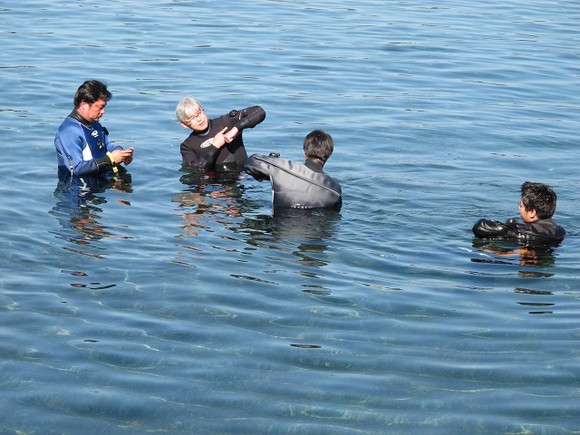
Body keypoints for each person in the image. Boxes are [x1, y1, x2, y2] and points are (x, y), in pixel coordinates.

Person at [244, 129, 342, 210]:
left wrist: (272, 166)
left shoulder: (283, 169)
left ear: (305, 152)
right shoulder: (335, 189)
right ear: (328, 155)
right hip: (315, 230)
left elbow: (250, 162)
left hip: (279, 229)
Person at [54, 80, 134, 180]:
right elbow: (76, 169)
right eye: (100, 107)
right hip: (77, 190)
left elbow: (106, 146)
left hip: (100, 182)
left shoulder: (95, 124)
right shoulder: (69, 131)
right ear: (84, 104)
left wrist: (121, 153)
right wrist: (110, 159)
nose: (103, 112)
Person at [176, 96, 266, 173]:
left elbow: (259, 112)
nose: (199, 119)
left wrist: (236, 129)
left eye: (199, 113)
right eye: (192, 118)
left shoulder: (225, 122)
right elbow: (195, 170)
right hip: (216, 186)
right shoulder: (187, 146)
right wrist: (215, 146)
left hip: (244, 176)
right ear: (184, 124)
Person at [472, 181, 565, 247]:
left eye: (521, 206)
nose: (519, 209)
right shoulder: (560, 230)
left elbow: (481, 226)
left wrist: (509, 228)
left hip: (532, 262)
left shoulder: (531, 232)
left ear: (532, 212)